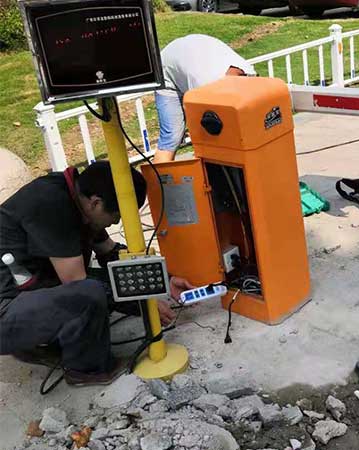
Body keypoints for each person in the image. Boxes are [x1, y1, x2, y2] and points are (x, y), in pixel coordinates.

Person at [0, 161, 194, 386]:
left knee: (103, 286)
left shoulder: (77, 197)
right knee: (90, 294)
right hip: (5, 308)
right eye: (117, 215)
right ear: (96, 203)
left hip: (23, 291)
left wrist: (165, 279)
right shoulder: (52, 205)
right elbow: (76, 284)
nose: (117, 222)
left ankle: (36, 343)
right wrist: (142, 301)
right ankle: (86, 369)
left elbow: (110, 253)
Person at [154, 34, 256, 163]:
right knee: (171, 137)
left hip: (194, 52)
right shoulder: (204, 85)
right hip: (166, 68)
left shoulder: (248, 73)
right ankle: (160, 174)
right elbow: (199, 124)